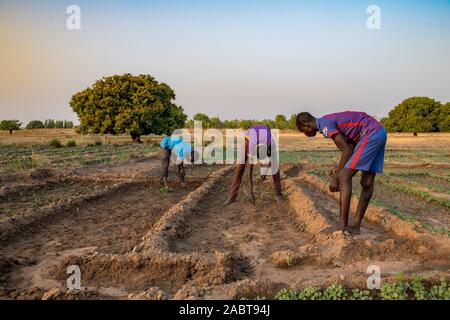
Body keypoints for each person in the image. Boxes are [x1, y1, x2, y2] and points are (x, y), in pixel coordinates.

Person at [296, 111, 387, 234]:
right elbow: (350, 147)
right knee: (367, 183)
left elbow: (347, 151)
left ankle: (342, 225)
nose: (305, 134)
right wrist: (338, 169)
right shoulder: (327, 120)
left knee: (344, 177)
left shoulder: (324, 124)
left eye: (303, 131)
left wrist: (336, 177)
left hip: (370, 133)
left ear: (307, 125)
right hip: (379, 132)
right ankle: (355, 226)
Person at [224, 124, 283, 205]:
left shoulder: (271, 143)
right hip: (249, 138)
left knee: (275, 167)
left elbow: (271, 161)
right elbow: (249, 171)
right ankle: (232, 196)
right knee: (240, 166)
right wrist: (250, 192)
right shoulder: (251, 145)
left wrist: (265, 171)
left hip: (264, 137)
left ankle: (279, 194)